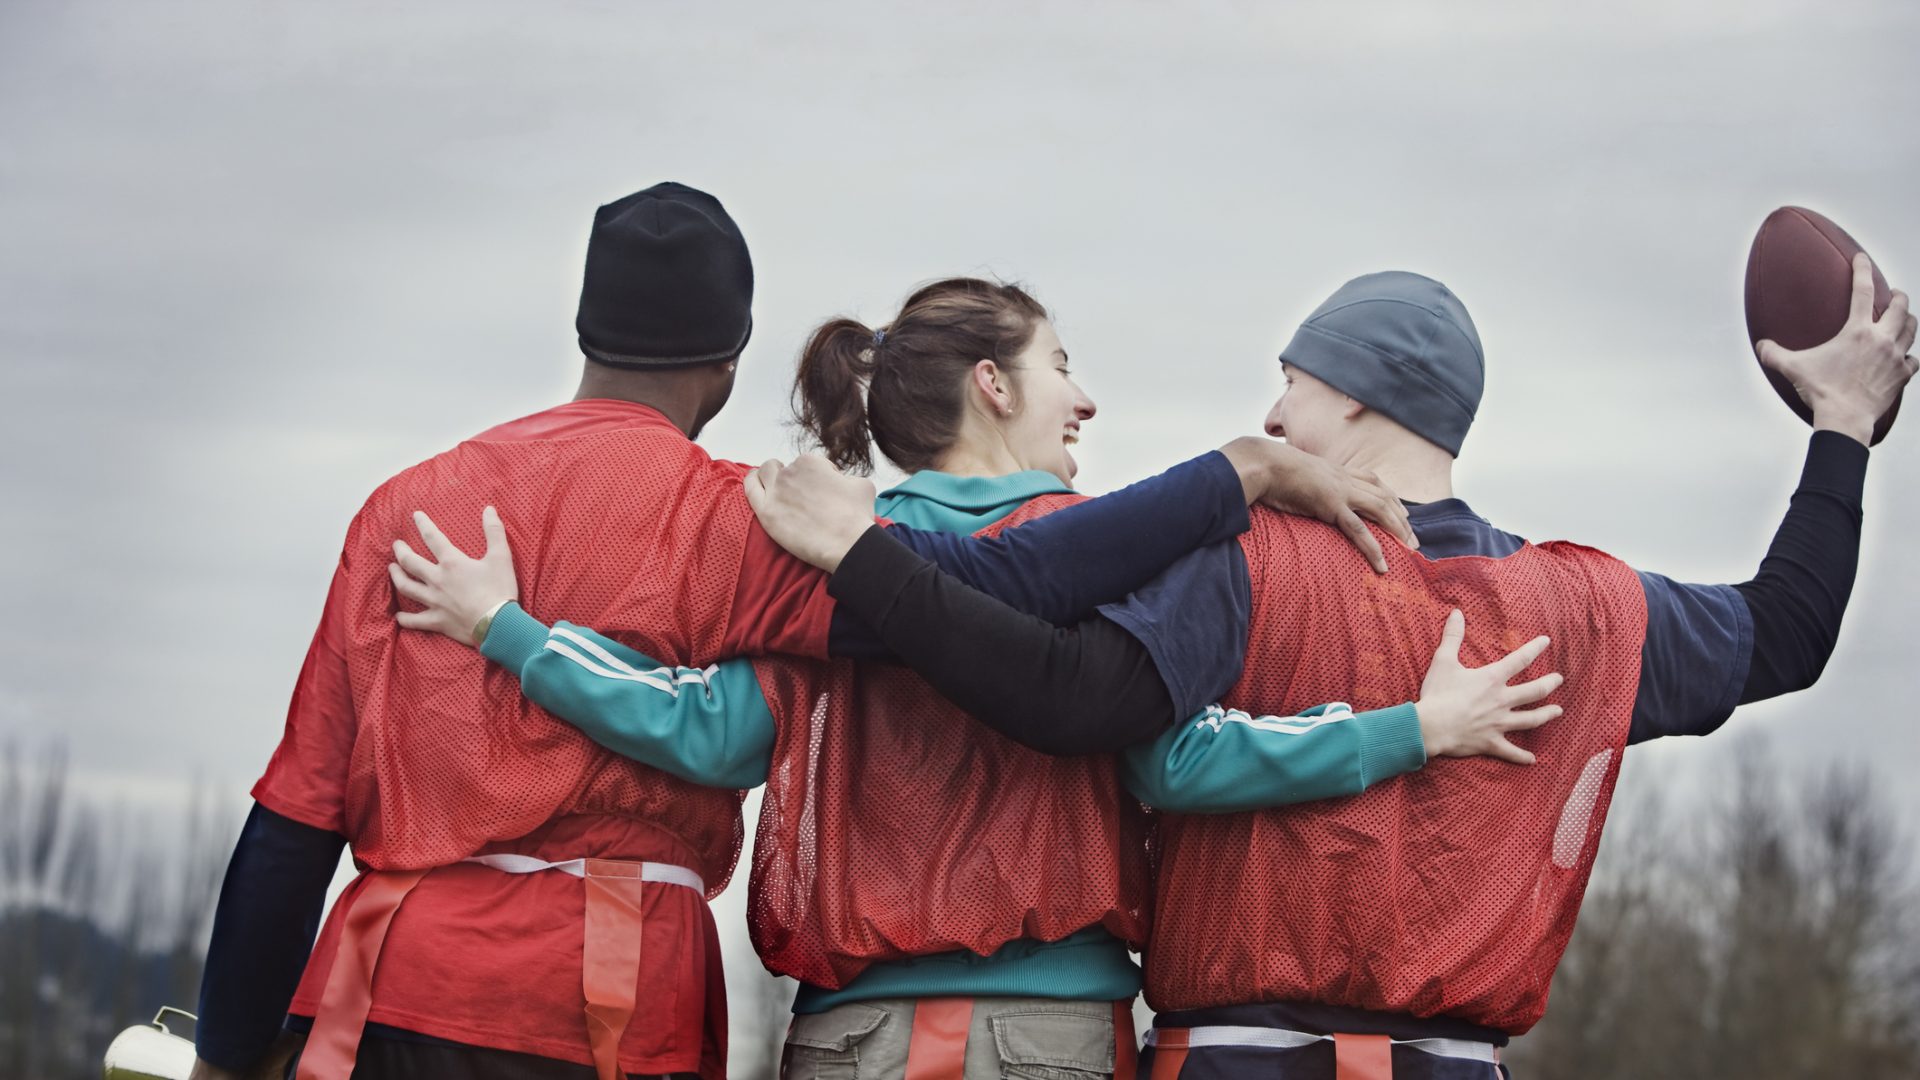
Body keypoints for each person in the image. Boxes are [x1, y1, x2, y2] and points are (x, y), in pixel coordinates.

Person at [189, 185, 1419, 1080]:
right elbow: (1008, 591)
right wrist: (1238, 478)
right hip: (617, 1001)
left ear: (585, 331)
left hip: (394, 989)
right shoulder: (738, 523)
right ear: (725, 362)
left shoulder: (403, 507)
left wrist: (231, 1049)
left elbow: (295, 816)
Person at [738, 259, 1917, 1079]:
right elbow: (1787, 633)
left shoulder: (1234, 559)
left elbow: (1074, 697)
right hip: (1457, 1065)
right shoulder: (1584, 610)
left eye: (1294, 383)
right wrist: (1842, 429)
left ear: (1353, 394)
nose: (1271, 408)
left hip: (1235, 1056)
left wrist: (865, 559)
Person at [390, 278, 1561, 1079]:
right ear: (995, 387)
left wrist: (509, 629)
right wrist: (1412, 728)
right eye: (1062, 364)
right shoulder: (1120, 552)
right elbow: (1182, 754)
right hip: (1053, 1031)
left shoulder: (820, 553)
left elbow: (707, 732)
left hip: (849, 1035)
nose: (1086, 396)